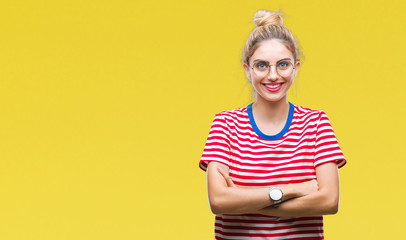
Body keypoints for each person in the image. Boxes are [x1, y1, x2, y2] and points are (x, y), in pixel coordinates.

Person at [199, 9, 347, 239]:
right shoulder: (226, 124)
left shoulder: (316, 123)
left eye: (283, 65)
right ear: (247, 69)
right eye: (261, 65)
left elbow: (329, 201)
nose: (273, 75)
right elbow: (218, 201)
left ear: (295, 68)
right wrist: (294, 190)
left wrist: (243, 199)